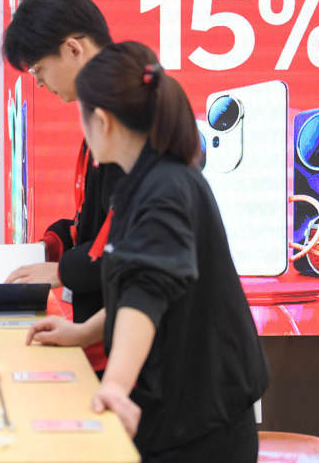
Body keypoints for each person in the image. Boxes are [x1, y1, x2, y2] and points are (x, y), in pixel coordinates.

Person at [26, 41, 268, 461]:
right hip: (182, 407)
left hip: (200, 425)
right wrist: (83, 333)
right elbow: (135, 285)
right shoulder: (142, 182)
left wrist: (115, 385)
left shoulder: (164, 190)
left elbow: (146, 292)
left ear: (102, 122)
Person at [0, 0, 122, 370]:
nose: (39, 83)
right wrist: (54, 245)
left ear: (72, 49)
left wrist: (62, 269)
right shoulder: (104, 115)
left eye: (39, 69)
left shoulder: (125, 120)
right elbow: (97, 222)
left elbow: (127, 251)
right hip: (112, 333)